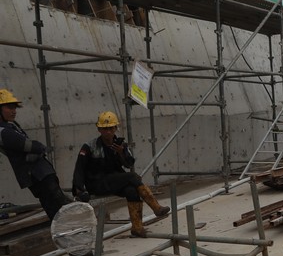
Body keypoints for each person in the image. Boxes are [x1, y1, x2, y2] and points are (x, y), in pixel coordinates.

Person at [72, 111, 170, 237]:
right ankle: (156, 207)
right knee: (132, 176)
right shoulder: (89, 147)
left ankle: (137, 228)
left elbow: (129, 164)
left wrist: (121, 153)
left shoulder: (121, 145)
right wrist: (79, 190)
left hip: (114, 181)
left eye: (110, 128)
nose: (108, 132)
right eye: (104, 129)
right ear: (99, 129)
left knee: (131, 191)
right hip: (97, 183)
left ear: (115, 128)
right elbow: (79, 168)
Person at [0, 89, 71, 219]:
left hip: (40, 172)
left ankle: (70, 230)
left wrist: (37, 148)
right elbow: (30, 146)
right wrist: (39, 147)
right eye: (9, 107)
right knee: (56, 206)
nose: (14, 111)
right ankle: (69, 231)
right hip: (36, 174)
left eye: (15, 107)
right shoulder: (4, 132)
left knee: (57, 204)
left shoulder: (10, 127)